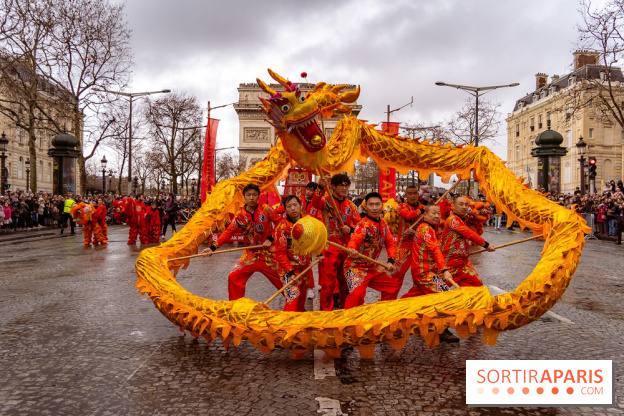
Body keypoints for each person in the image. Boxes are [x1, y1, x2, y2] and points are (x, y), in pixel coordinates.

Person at [200, 184, 282, 300]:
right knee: (234, 277)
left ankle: (296, 307)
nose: (251, 198)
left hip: (268, 253)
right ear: (244, 197)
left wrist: (271, 238)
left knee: (287, 280)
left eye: (254, 195)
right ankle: (236, 307)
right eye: (248, 195)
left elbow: (280, 224)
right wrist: (212, 248)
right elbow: (228, 232)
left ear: (258, 196)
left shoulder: (267, 210)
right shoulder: (240, 216)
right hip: (250, 255)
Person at [401, 204, 459, 343]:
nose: (437, 216)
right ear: (425, 215)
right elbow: (435, 250)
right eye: (433, 213)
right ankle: (441, 329)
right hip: (424, 273)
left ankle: (389, 314)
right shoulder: (426, 229)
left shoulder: (427, 229)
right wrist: (444, 270)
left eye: (439, 213)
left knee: (409, 299)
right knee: (445, 295)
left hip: (423, 271)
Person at [312, 173, 361, 310]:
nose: (344, 188)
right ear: (333, 186)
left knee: (345, 282)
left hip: (346, 248)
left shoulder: (351, 206)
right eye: (341, 185)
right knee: (328, 284)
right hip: (329, 246)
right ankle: (325, 310)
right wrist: (320, 186)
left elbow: (360, 226)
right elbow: (315, 202)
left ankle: (345, 308)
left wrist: (350, 229)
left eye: (346, 185)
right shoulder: (326, 202)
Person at [343, 192, 397, 309]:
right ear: (365, 207)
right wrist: (352, 249)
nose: (374, 208)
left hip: (373, 267)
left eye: (377, 204)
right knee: (356, 295)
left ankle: (383, 314)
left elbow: (390, 243)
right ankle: (347, 322)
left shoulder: (383, 223)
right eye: (371, 205)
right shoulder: (362, 225)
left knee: (392, 286)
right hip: (356, 267)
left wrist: (391, 260)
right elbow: (355, 240)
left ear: (382, 206)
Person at [439, 196, 495, 286]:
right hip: (450, 264)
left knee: (477, 285)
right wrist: (486, 245)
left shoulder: (462, 220)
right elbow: (469, 233)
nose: (464, 207)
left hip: (463, 264)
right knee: (436, 290)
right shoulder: (452, 219)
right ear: (454, 206)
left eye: (466, 205)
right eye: (461, 204)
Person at [272, 195, 311, 311]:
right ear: (285, 210)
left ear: (301, 206)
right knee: (293, 297)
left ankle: (299, 324)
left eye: (295, 205)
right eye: (289, 206)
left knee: (302, 299)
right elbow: (280, 253)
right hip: (288, 269)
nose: (293, 208)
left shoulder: (309, 223)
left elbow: (315, 241)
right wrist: (290, 272)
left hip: (304, 267)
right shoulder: (282, 227)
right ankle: (287, 326)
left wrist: (318, 253)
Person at [388, 185, 424, 299]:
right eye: (410, 193)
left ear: (418, 194)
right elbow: (408, 216)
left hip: (419, 247)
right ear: (406, 195)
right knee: (396, 276)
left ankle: (414, 301)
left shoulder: (424, 208)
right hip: (403, 247)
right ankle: (388, 301)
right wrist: (422, 211)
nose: (413, 196)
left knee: (421, 276)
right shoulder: (401, 206)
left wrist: (416, 232)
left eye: (415, 193)